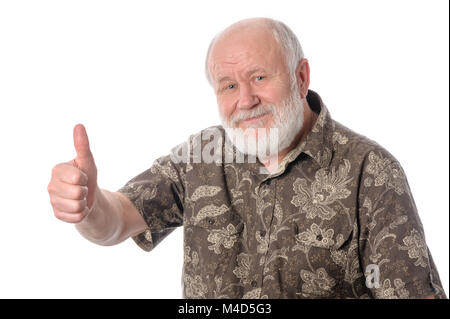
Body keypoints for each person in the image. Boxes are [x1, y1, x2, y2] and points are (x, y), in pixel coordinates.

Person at [47, 17, 446, 299]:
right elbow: (116, 222)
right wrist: (89, 204)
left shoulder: (369, 170)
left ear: (301, 77)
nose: (245, 100)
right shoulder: (201, 156)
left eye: (259, 77)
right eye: (228, 85)